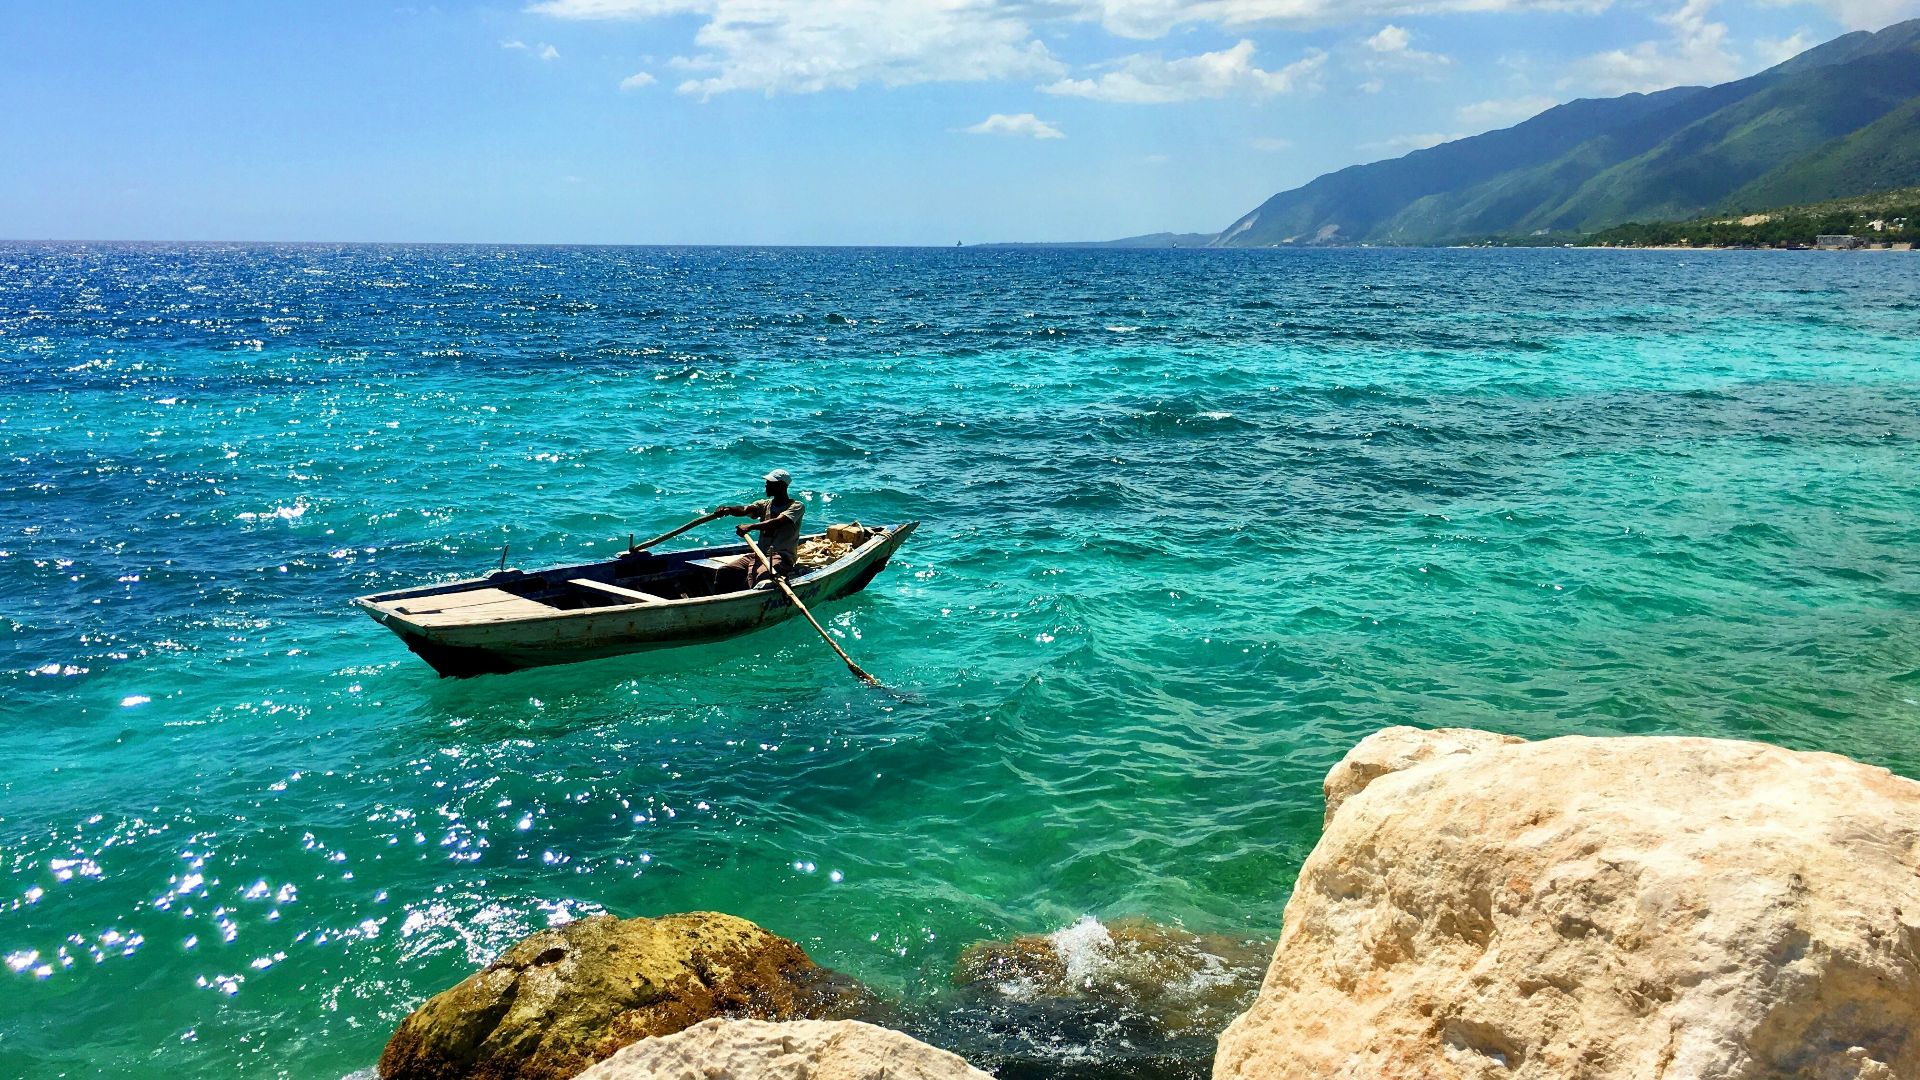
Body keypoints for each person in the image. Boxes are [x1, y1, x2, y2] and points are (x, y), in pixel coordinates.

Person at [718, 469, 805, 589]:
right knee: (725, 571)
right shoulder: (764, 504)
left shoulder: (796, 506)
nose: (766, 485)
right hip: (759, 554)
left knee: (761, 575)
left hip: (782, 556)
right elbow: (744, 509)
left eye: (770, 483)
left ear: (781, 486)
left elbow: (778, 522)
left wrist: (750, 527)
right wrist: (728, 509)